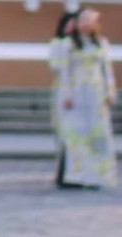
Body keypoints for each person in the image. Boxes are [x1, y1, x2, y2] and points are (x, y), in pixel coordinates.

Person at [54, 8, 117, 190]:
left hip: (96, 94)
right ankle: (77, 175)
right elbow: (65, 72)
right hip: (76, 93)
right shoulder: (69, 45)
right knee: (77, 135)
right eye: (84, 20)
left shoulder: (101, 44)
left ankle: (98, 174)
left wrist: (110, 91)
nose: (87, 25)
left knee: (98, 135)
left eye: (91, 21)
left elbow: (107, 70)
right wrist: (66, 94)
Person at [49, 11, 78, 187]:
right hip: (62, 90)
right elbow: (56, 65)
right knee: (64, 133)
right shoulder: (58, 44)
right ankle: (64, 171)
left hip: (80, 91)